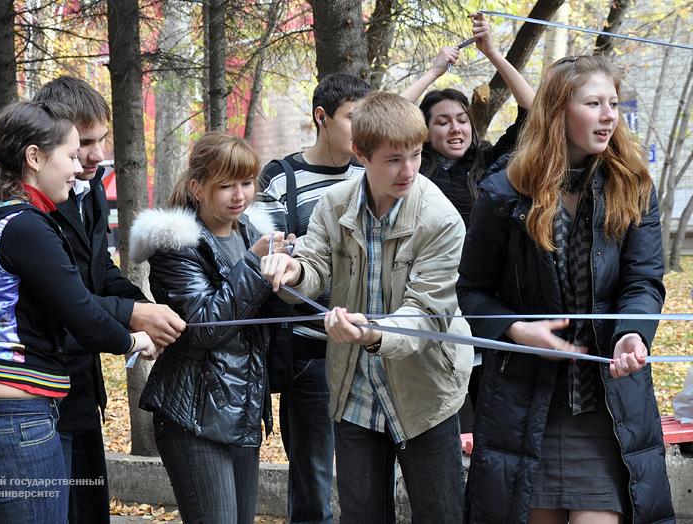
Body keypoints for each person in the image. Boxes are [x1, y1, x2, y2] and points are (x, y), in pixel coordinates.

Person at [457, 55, 674, 523]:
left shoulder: (633, 186)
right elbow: (473, 292)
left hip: (607, 407)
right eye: (593, 103)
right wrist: (517, 330)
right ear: (558, 110)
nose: (609, 114)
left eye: (613, 103)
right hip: (525, 406)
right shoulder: (503, 193)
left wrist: (632, 333)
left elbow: (644, 280)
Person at [0, 100, 157, 522]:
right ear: (34, 157)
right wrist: (131, 338)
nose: (78, 167)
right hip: (12, 423)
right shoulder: (25, 226)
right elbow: (82, 315)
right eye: (71, 155)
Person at [261, 92, 473, 524]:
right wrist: (292, 271)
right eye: (394, 160)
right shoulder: (334, 204)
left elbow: (428, 315)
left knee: (441, 515)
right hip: (354, 390)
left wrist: (372, 334)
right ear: (361, 153)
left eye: (416, 155)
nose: (409, 170)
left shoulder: (442, 219)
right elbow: (314, 266)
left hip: (425, 393)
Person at [33, 76, 185, 523]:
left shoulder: (92, 190)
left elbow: (100, 274)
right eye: (84, 142)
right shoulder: (28, 211)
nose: (99, 155)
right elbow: (64, 299)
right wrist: (135, 317)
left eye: (102, 138)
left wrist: (145, 310)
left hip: (80, 384)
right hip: (34, 393)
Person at [130, 132, 288, 524]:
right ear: (198, 189)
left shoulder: (251, 234)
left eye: (247, 183)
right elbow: (202, 326)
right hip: (193, 413)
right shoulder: (177, 245)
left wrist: (293, 274)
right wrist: (254, 266)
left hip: (243, 411)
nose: (239, 195)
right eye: (226, 185)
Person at [246, 72, 371, 523]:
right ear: (322, 117)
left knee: (367, 474)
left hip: (371, 344)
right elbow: (273, 250)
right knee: (313, 473)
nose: (364, 130)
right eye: (354, 118)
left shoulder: (371, 173)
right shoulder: (283, 177)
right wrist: (300, 251)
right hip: (308, 350)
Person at [400, 12, 535, 227]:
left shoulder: (490, 162)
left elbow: (532, 112)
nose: (455, 128)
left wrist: (492, 53)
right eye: (443, 122)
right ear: (425, 131)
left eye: (462, 120)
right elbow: (384, 119)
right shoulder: (412, 168)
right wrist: (434, 72)